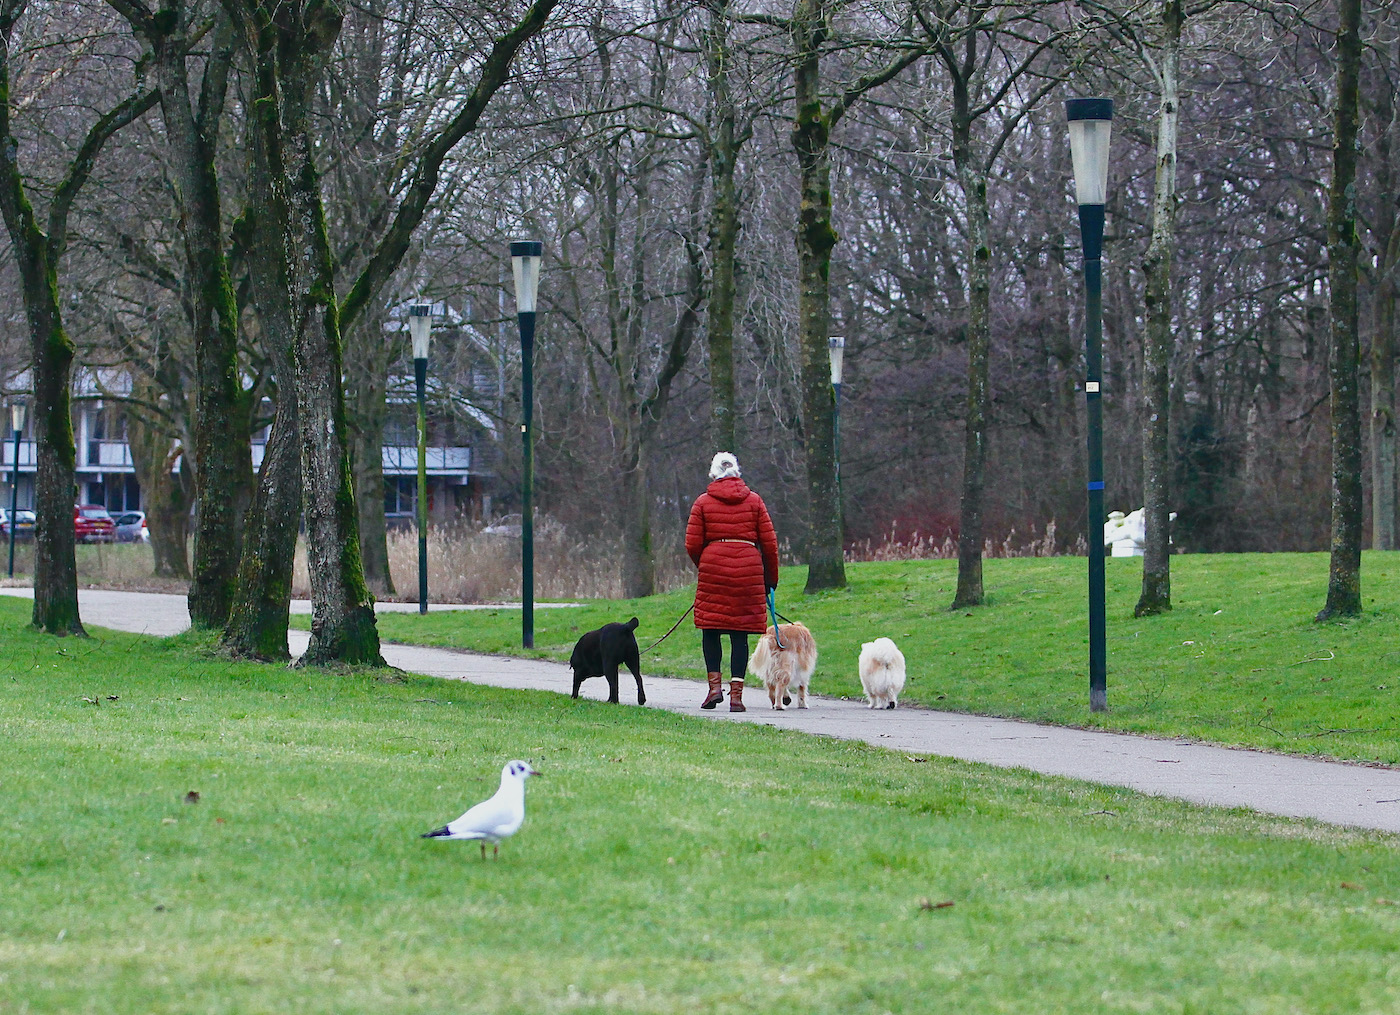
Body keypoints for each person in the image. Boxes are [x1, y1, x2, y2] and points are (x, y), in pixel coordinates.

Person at [684, 452, 780, 712]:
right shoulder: (755, 501)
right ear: (737, 472)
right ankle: (736, 697)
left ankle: (714, 689)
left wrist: (706, 563)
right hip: (748, 570)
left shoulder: (703, 502)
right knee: (740, 633)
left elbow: (692, 543)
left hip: (713, 568)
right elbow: (769, 544)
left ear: (714, 473)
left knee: (711, 630)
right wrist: (770, 579)